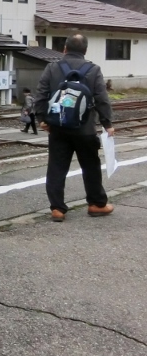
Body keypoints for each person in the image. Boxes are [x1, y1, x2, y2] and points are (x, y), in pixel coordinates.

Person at [33, 34, 114, 222]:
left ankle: (57, 209)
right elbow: (102, 99)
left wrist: (41, 119)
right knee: (91, 167)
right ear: (85, 51)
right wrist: (107, 124)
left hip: (58, 128)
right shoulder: (93, 69)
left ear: (64, 49)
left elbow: (41, 94)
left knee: (56, 167)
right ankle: (96, 204)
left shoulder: (52, 67)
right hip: (85, 129)